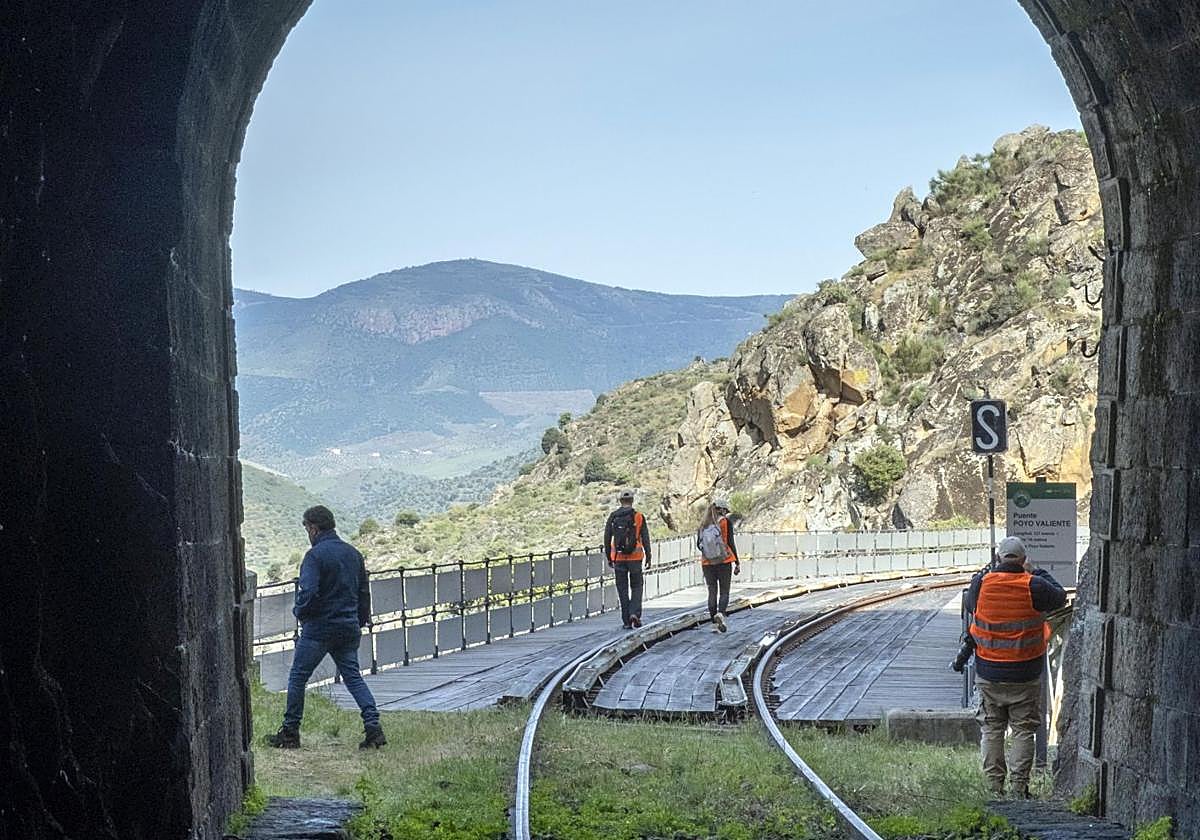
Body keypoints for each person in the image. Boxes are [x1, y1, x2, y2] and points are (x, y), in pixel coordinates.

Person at [952, 536, 1066, 798]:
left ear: (999, 558)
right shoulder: (1034, 585)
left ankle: (994, 787)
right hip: (1025, 673)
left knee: (992, 728)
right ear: (1024, 560)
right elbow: (1059, 596)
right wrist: (1036, 571)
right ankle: (1018, 787)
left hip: (989, 672)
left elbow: (971, 605)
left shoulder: (982, 584)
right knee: (1024, 730)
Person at [268, 505, 386, 750]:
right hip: (348, 627)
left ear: (313, 528)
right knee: (353, 677)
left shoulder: (315, 556)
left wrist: (300, 612)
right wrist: (360, 620)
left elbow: (308, 591)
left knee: (298, 676)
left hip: (319, 628)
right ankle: (373, 728)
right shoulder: (353, 554)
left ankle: (290, 733)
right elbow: (364, 592)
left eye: (307, 529)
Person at [604, 489, 652, 629]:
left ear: (620, 501)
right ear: (632, 501)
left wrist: (609, 557)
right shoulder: (638, 516)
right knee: (637, 586)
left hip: (618, 558)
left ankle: (626, 619)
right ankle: (635, 614)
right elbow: (645, 538)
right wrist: (648, 556)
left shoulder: (613, 517)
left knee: (622, 588)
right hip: (635, 558)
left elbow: (607, 538)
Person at [696, 498, 740, 632]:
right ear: (721, 510)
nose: (726, 513)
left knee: (712, 590)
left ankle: (713, 621)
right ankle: (720, 613)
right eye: (725, 511)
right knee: (724, 591)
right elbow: (730, 543)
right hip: (724, 560)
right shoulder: (725, 522)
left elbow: (699, 544)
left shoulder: (703, 524)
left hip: (707, 562)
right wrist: (737, 562)